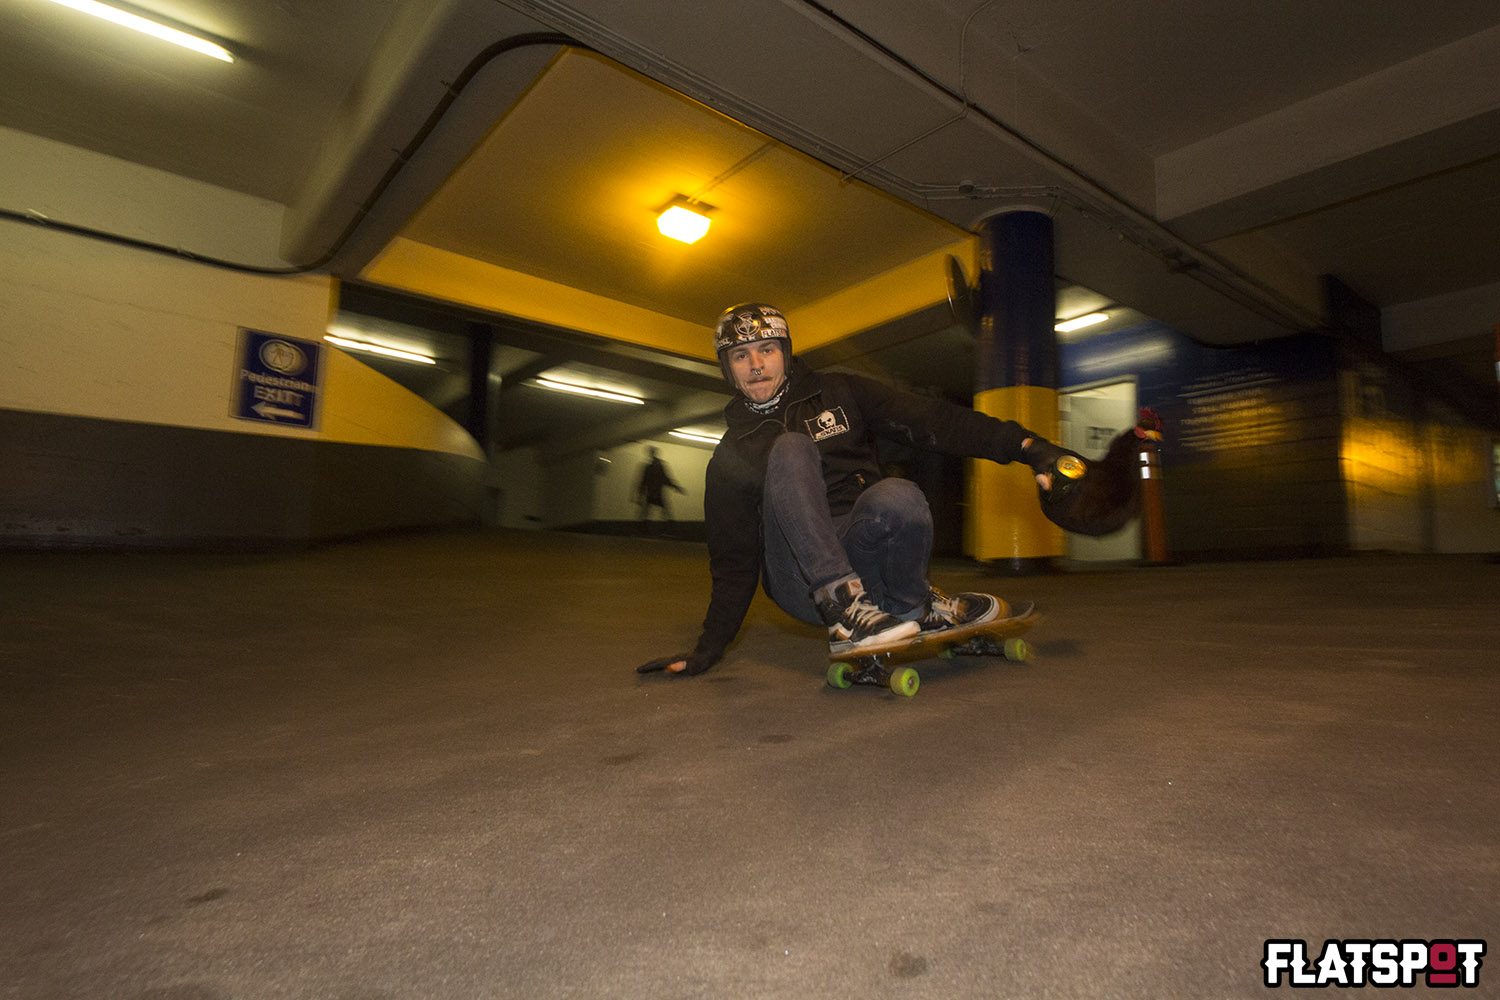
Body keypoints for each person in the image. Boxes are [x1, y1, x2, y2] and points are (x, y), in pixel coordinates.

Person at [636, 302, 1116, 678]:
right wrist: (707, 650)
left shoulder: (841, 392)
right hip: (800, 579)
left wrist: (1030, 447)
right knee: (791, 449)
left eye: (766, 350)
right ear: (727, 367)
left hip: (863, 552)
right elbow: (733, 561)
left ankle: (913, 606)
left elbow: (934, 421)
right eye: (740, 356)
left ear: (785, 351)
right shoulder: (730, 455)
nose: (755, 365)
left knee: (899, 495)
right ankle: (844, 608)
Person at [635, 446, 686, 532]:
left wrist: (640, 495)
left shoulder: (648, 467)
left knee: (646, 511)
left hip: (651, 493)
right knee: (665, 511)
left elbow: (643, 481)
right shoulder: (660, 466)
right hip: (657, 493)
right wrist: (676, 487)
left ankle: (641, 529)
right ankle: (670, 530)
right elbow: (666, 479)